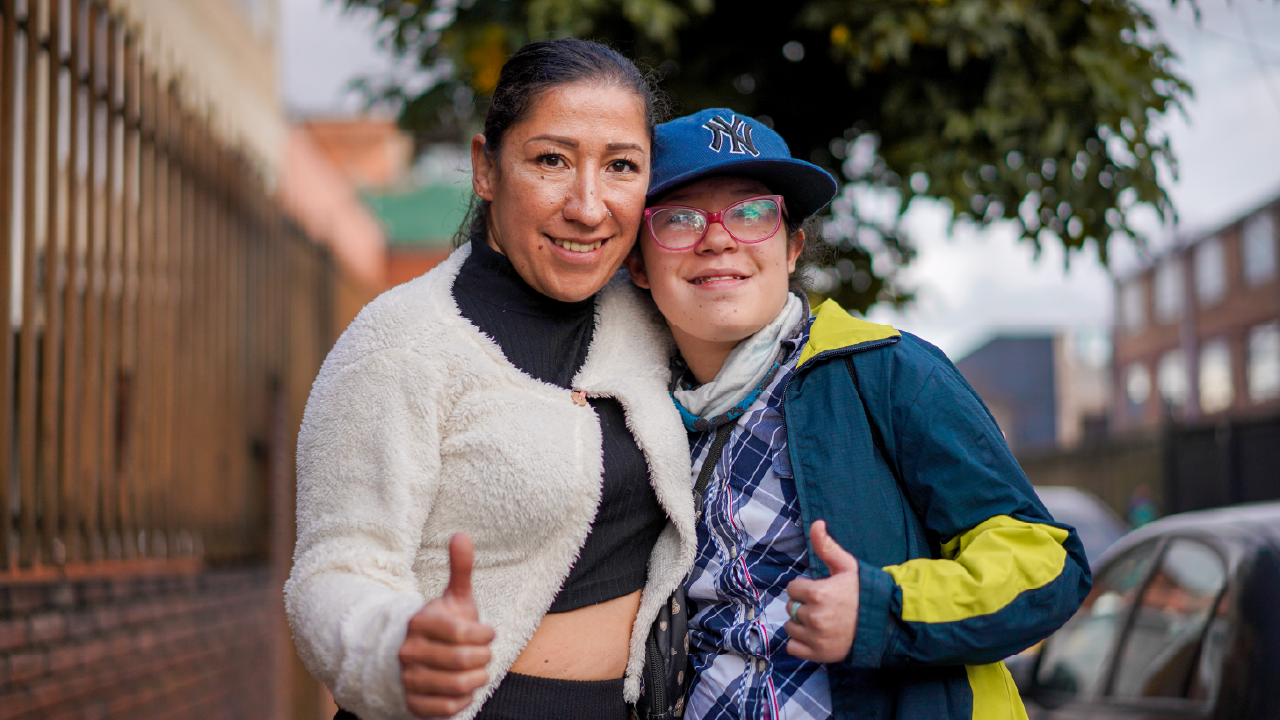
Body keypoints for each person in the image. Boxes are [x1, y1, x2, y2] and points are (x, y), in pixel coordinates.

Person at [624, 108, 1093, 720]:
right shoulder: (630, 418)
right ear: (638, 264)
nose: (718, 238)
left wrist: (883, 609)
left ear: (792, 249)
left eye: (752, 213)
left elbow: (1047, 564)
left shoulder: (889, 371)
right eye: (679, 219)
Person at [285, 40, 698, 720]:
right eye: (551, 160)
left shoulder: (656, 321)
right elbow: (336, 567)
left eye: (621, 166)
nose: (588, 206)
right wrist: (396, 644)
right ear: (485, 168)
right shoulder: (402, 341)